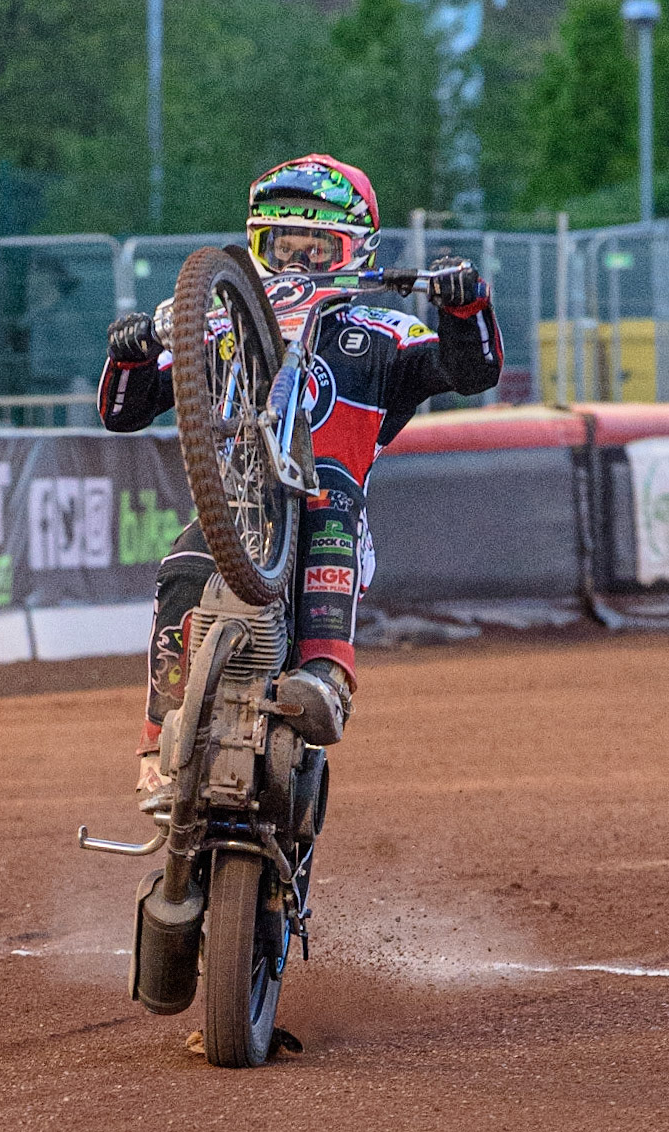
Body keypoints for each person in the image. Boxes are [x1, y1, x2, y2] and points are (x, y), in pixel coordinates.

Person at [97, 154, 504, 799]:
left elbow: (474, 372)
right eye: (283, 246)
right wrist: (130, 352)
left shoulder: (385, 330)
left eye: (319, 249)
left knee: (332, 494)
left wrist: (466, 304)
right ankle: (158, 737)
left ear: (358, 250)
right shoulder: (219, 320)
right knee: (180, 564)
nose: (297, 264)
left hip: (331, 516)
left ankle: (325, 672)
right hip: (241, 515)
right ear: (258, 245)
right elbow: (124, 411)